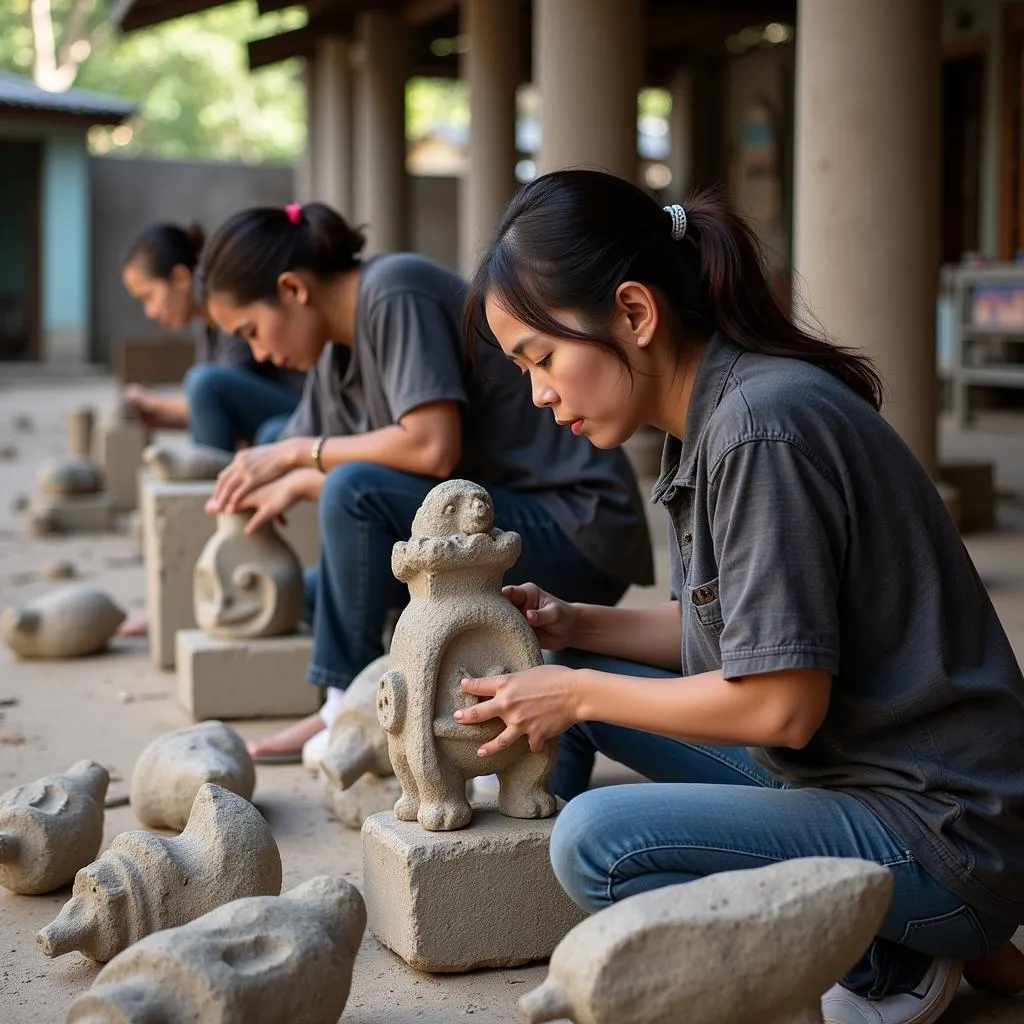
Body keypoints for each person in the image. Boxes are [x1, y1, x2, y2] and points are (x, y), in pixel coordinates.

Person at [453, 169, 1024, 1024]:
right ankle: (957, 940)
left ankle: (887, 951)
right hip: (864, 778)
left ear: (636, 314)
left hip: (937, 826)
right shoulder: (718, 415)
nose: (540, 393)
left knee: (598, 840)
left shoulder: (763, 432)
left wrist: (572, 696)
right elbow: (731, 630)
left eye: (542, 358)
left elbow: (781, 705)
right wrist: (573, 627)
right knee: (565, 664)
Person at [197, 200, 654, 761]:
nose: (260, 353)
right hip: (493, 520)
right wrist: (274, 480)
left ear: (292, 289)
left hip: (576, 528)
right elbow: (288, 457)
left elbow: (432, 447)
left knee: (349, 489)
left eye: (253, 331)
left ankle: (339, 706)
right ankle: (380, 682)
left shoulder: (395, 290)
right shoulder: (331, 357)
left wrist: (301, 458)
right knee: (313, 592)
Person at [120, 221, 305, 450]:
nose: (150, 312)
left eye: (148, 297)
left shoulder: (231, 314)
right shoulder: (205, 327)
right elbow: (218, 410)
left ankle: (208, 476)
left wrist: (153, 401)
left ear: (180, 278)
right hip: (275, 419)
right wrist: (166, 419)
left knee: (203, 381)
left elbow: (214, 393)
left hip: (298, 405)